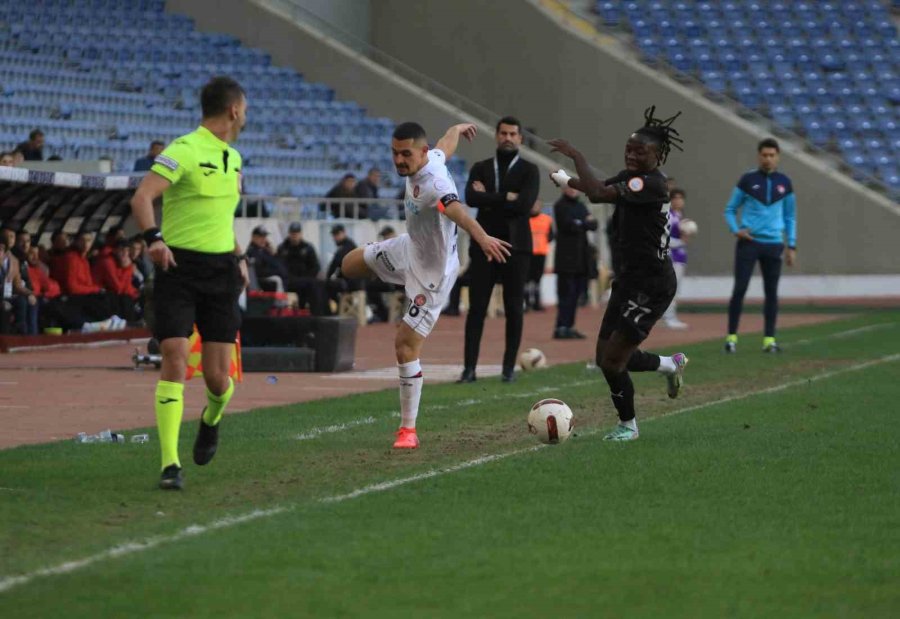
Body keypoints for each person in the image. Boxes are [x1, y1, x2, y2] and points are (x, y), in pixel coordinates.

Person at [341, 121, 510, 448]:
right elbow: (445, 145)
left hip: (432, 275)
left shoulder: (434, 182)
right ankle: (394, 287)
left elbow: (456, 210)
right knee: (348, 264)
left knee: (405, 344)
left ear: (419, 152)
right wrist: (457, 129)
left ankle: (408, 430)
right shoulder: (431, 157)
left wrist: (482, 236)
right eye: (394, 153)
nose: (399, 161)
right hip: (409, 248)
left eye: (405, 154)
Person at [130, 76, 250, 490]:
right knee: (175, 359)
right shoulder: (182, 150)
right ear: (234, 110)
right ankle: (170, 465)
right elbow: (142, 197)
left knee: (219, 379)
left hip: (222, 271)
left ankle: (211, 420)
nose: (245, 114)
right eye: (245, 108)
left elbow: (219, 217)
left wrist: (240, 255)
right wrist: (153, 239)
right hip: (178, 269)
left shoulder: (234, 158)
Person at [548, 105, 690, 442]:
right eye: (629, 149)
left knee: (613, 362)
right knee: (605, 358)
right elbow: (601, 187)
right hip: (629, 280)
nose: (632, 155)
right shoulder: (632, 178)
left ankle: (629, 426)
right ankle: (669, 364)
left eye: (641, 151)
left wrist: (575, 155)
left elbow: (597, 193)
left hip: (651, 285)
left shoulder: (651, 182)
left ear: (657, 155)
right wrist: (569, 181)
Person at [459, 116, 540, 383]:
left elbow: (524, 206)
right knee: (477, 309)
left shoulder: (530, 170)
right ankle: (469, 369)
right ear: (496, 135)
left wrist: (489, 197)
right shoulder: (481, 167)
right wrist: (506, 196)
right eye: (503, 133)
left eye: (512, 134)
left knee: (514, 308)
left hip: (517, 248)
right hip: (483, 244)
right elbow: (470, 198)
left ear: (520, 139)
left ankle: (508, 369)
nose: (507, 138)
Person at [724, 138, 797, 354]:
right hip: (749, 243)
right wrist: (736, 229)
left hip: (774, 244)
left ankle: (769, 340)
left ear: (778, 156)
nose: (768, 159)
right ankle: (731, 339)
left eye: (772, 155)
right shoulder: (747, 180)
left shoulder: (785, 182)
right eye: (764, 155)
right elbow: (729, 209)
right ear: (759, 156)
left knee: (771, 293)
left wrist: (791, 245)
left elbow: (790, 216)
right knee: (740, 289)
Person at [553, 186, 597, 339]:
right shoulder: (560, 206)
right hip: (566, 259)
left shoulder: (581, 206)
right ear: (563, 189)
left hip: (581, 259)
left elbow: (594, 225)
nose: (572, 190)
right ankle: (561, 327)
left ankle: (569, 326)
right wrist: (584, 223)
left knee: (576, 295)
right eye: (569, 188)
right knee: (566, 294)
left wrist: (581, 223)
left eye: (575, 187)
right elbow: (567, 225)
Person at [276, 222, 325, 314]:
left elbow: (315, 267)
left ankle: (318, 314)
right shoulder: (282, 248)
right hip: (288, 281)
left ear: (301, 234)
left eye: (297, 233)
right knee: (312, 284)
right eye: (293, 233)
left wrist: (308, 277)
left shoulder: (308, 248)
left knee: (318, 285)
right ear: (289, 234)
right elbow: (279, 266)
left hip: (305, 279)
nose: (295, 236)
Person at [662, 188, 690, 329]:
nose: (678, 201)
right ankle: (669, 317)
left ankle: (669, 316)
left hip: (680, 256)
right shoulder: (670, 216)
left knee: (673, 288)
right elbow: (664, 238)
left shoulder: (679, 216)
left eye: (681, 198)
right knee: (672, 288)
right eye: (676, 198)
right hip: (672, 256)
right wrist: (682, 241)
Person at [526, 200, 553, 311]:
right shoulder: (524, 219)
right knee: (526, 280)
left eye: (537, 205)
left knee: (537, 279)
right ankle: (526, 303)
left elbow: (551, 236)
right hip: (527, 253)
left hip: (541, 253)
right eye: (533, 204)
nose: (535, 207)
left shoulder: (547, 219)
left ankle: (537, 303)